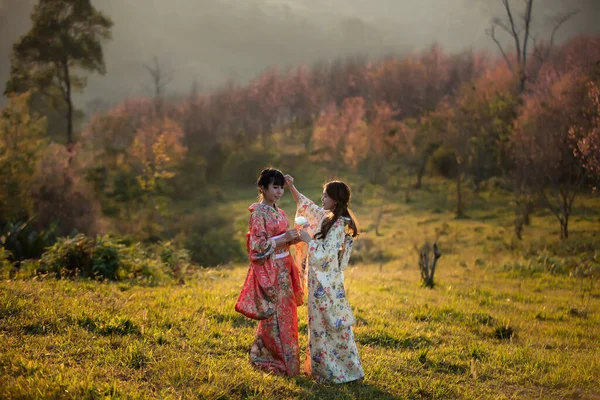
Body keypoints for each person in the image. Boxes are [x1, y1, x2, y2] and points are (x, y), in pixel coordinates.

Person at [285, 174, 364, 383]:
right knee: (321, 325)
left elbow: (326, 257)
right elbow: (308, 206)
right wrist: (292, 187)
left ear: (335, 199)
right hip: (319, 283)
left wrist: (308, 240)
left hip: (326, 285)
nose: (322, 199)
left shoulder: (339, 225)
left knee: (331, 325)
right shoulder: (329, 218)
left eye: (325, 196)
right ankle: (325, 370)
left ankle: (340, 372)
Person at [237, 168, 304, 376]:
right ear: (263, 188)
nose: (279, 192)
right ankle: (275, 359)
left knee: (287, 315)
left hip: (285, 269)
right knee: (273, 316)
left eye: (281, 188)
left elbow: (282, 240)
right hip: (271, 270)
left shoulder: (280, 212)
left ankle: (289, 361)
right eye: (275, 187)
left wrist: (294, 238)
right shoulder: (258, 213)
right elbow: (256, 247)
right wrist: (283, 239)